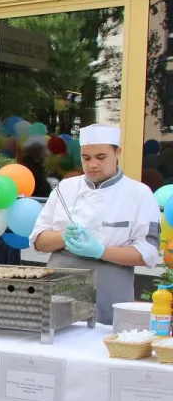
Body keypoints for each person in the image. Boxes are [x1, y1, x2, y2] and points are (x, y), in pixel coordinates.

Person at [30, 123, 162, 323]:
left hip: (109, 290)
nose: (92, 165)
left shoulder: (140, 194)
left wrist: (100, 250)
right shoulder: (65, 188)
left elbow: (148, 254)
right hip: (58, 288)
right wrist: (63, 236)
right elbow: (38, 241)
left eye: (101, 157)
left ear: (117, 152)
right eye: (86, 158)